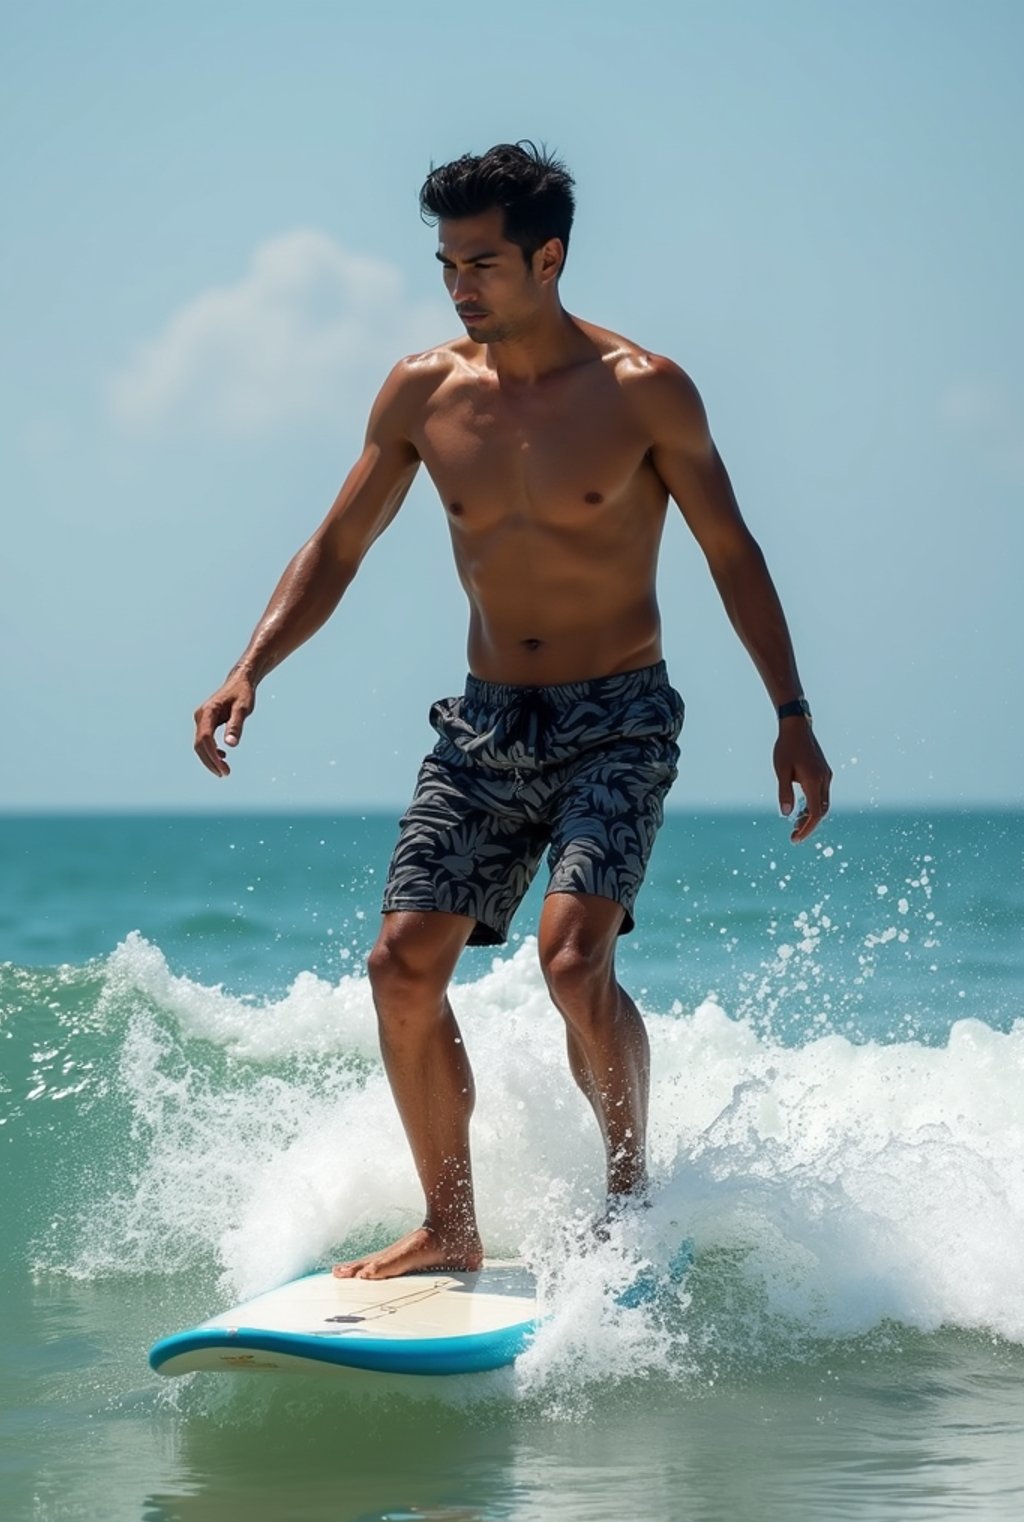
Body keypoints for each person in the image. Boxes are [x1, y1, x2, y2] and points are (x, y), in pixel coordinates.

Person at [194, 141, 832, 1280]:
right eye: (445, 263)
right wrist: (253, 664)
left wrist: (789, 712)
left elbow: (732, 552)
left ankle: (629, 1201)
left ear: (548, 257)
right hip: (485, 726)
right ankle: (451, 1227)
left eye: (481, 262)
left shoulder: (645, 390)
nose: (458, 286)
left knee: (573, 961)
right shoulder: (422, 392)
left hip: (618, 720)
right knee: (400, 967)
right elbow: (340, 544)